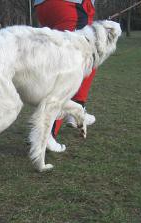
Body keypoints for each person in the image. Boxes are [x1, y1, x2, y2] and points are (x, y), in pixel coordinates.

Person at [34, 0, 97, 152]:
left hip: (42, 6)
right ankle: (47, 133)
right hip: (69, 5)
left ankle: (76, 111)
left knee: (66, 62)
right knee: (76, 62)